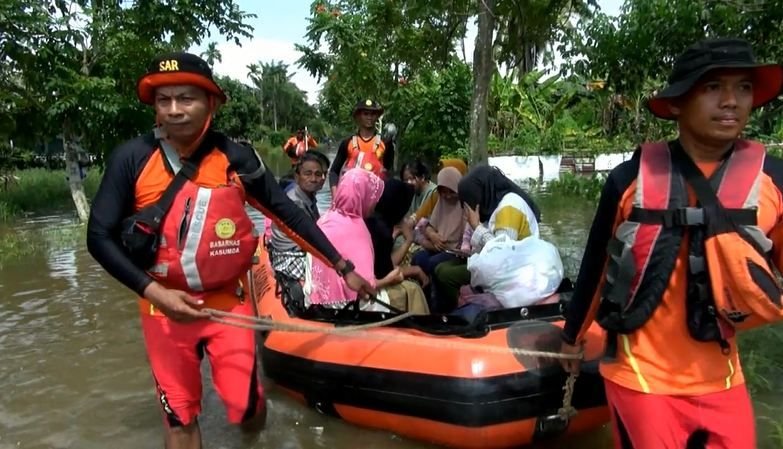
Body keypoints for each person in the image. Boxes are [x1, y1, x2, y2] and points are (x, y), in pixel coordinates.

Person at [85, 52, 373, 449]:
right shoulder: (130, 159)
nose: (173, 111)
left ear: (212, 103)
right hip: (162, 306)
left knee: (247, 406)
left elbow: (287, 214)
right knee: (179, 416)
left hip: (229, 303)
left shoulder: (236, 158)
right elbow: (98, 237)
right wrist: (155, 293)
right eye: (163, 101)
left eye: (186, 98)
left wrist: (342, 266)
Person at [559, 37, 783, 449]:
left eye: (744, 87)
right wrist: (573, 338)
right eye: (712, 88)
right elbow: (596, 269)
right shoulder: (628, 181)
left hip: (724, 379)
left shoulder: (774, 181)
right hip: (641, 376)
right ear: (677, 102)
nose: (731, 101)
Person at [433, 165, 541, 308]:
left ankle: (459, 314)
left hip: (515, 271)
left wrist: (476, 226)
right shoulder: (495, 206)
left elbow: (502, 255)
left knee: (446, 275)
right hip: (502, 263)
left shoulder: (508, 208)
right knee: (440, 268)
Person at [309, 169, 392, 310]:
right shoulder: (357, 228)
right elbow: (365, 287)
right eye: (372, 197)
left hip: (318, 301)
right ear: (362, 196)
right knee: (409, 290)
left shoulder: (324, 220)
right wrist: (391, 279)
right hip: (348, 307)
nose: (375, 202)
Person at [365, 178, 430, 314]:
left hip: (371, 280)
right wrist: (413, 270)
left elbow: (384, 260)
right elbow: (384, 271)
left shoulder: (377, 220)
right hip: (370, 289)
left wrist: (407, 240)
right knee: (414, 290)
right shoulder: (379, 228)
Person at [268, 150, 330, 282]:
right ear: (297, 177)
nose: (313, 179)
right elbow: (311, 239)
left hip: (296, 251)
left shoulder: (307, 196)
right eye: (307, 174)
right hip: (289, 257)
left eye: (318, 174)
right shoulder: (295, 201)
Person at [328, 99, 394, 196]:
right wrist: (335, 196)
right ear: (358, 116)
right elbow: (334, 171)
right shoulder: (347, 143)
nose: (369, 117)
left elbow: (388, 172)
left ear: (377, 117)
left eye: (373, 114)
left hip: (375, 198)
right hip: (351, 196)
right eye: (366, 114)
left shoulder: (385, 144)